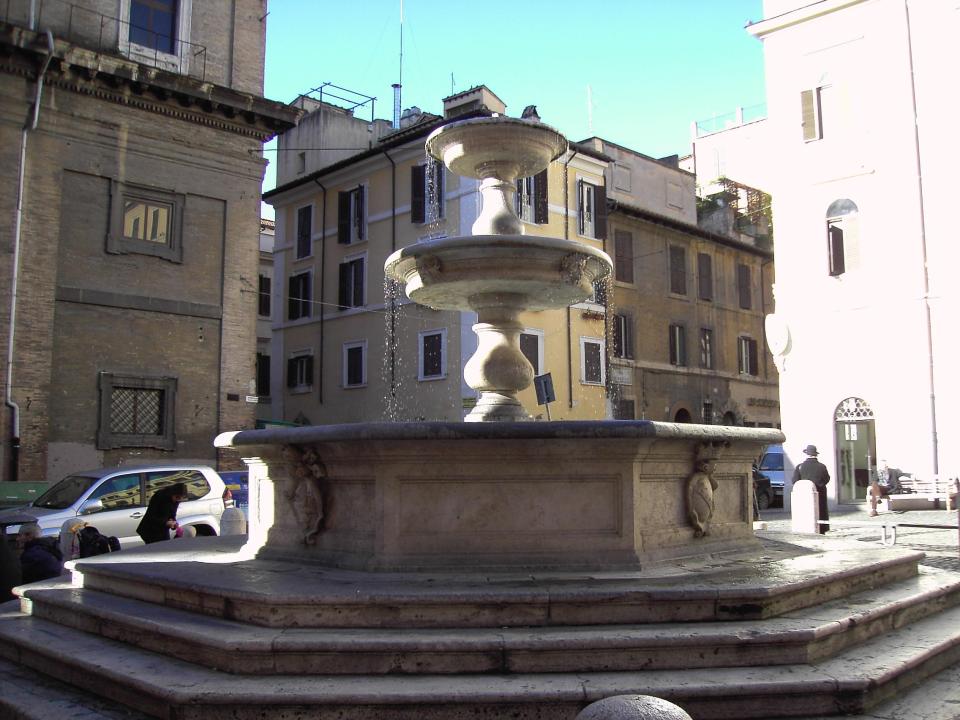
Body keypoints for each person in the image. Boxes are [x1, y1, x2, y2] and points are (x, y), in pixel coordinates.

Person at [793, 444, 831, 534]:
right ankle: (821, 529)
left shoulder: (800, 467)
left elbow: (794, 481)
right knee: (820, 511)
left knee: (805, 512)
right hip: (820, 493)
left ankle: (805, 527)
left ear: (807, 454)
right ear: (815, 454)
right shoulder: (822, 466)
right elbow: (827, 479)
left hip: (804, 495)